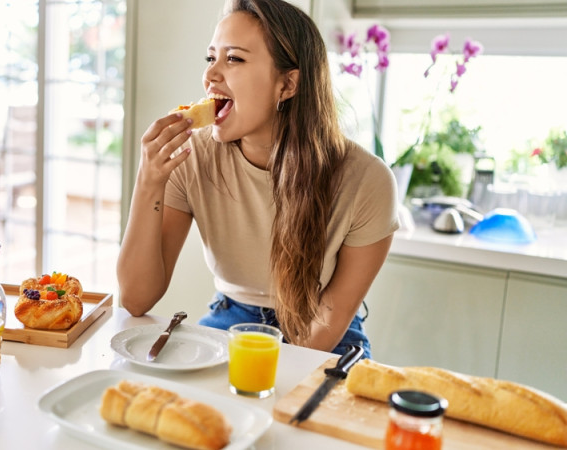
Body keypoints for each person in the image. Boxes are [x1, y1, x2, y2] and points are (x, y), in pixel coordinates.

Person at [116, 0, 399, 359]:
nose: (211, 76)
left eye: (233, 59)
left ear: (288, 84)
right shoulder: (192, 156)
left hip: (326, 333)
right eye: (211, 58)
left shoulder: (367, 180)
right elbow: (136, 299)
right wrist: (149, 180)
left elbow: (331, 317)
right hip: (229, 319)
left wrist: (256, 380)